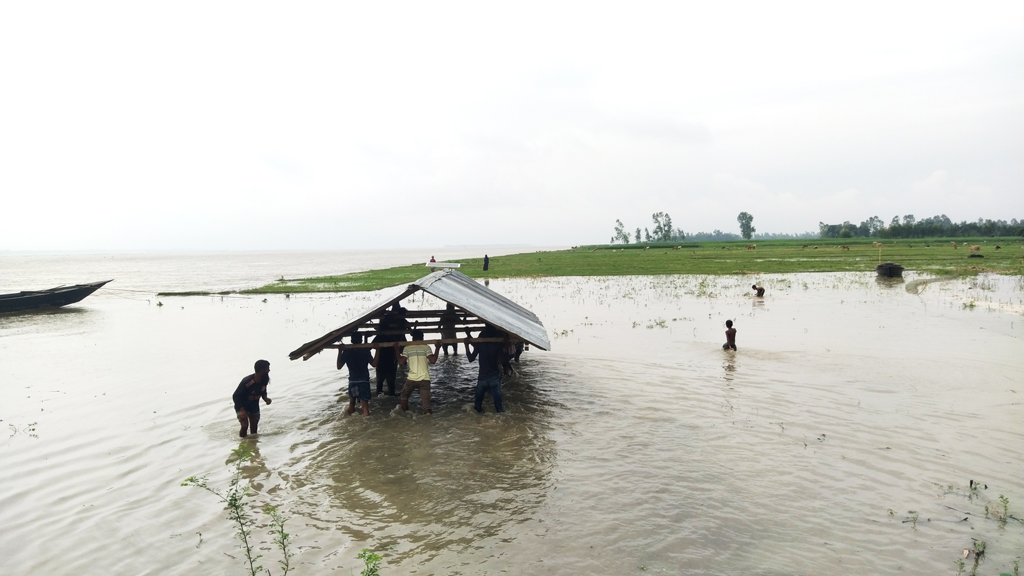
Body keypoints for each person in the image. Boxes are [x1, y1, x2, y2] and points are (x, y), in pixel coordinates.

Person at [398, 329, 440, 414]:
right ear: (422, 337)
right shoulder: (426, 347)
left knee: (404, 397)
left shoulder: (407, 348)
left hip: (411, 379)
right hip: (424, 379)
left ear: (412, 338)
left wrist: (396, 349)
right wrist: (438, 348)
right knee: (426, 405)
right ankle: (429, 420)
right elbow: (433, 361)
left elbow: (401, 362)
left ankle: (406, 416)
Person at [467, 325, 504, 413]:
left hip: (482, 378)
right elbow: (502, 360)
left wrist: (466, 346)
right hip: (494, 377)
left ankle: (478, 422)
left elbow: (470, 358)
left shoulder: (480, 345)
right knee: (499, 407)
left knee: (477, 406)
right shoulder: (496, 345)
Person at [337, 333, 377, 416]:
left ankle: (348, 418)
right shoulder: (365, 351)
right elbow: (374, 364)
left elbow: (339, 366)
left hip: (353, 380)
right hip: (364, 380)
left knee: (352, 403)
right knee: (365, 407)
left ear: (351, 340)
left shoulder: (347, 351)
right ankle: (367, 423)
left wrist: (340, 351)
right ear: (361, 340)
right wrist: (378, 350)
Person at [233, 359, 272, 438]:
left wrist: (265, 398)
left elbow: (263, 390)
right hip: (242, 406)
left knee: (254, 428)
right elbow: (236, 396)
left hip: (254, 406)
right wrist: (241, 410)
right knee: (244, 425)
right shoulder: (247, 382)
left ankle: (253, 444)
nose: (269, 370)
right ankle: (243, 443)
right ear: (262, 371)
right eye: (267, 368)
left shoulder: (264, 380)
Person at [372, 313, 405, 396]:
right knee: (391, 388)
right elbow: (401, 350)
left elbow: (372, 346)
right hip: (391, 364)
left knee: (379, 387)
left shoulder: (380, 336)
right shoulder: (395, 337)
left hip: (382, 364)